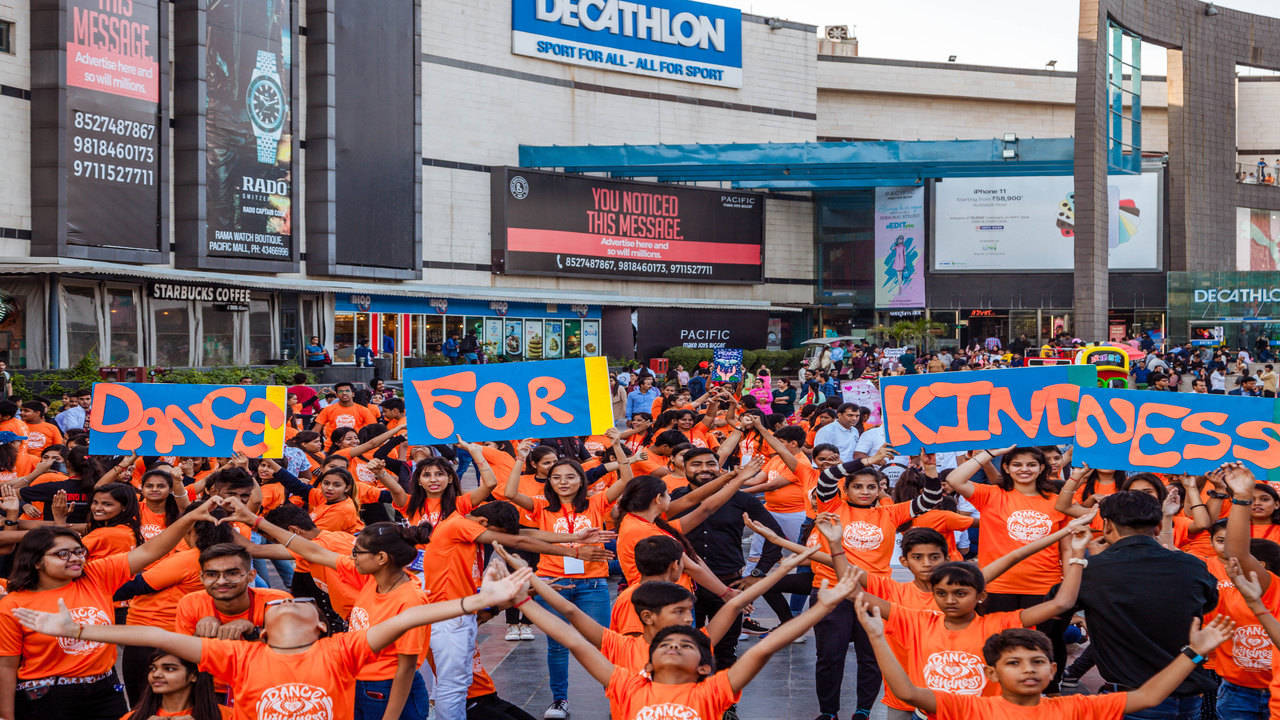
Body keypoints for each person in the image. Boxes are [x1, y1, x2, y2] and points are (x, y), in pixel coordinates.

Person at [10, 564, 534, 720]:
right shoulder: (239, 656)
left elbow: (410, 618)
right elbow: (148, 634)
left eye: (296, 604)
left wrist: (474, 601)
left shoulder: (341, 650)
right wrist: (76, 629)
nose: (284, 602)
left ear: (320, 626)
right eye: (278, 604)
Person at [516, 555, 862, 720]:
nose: (677, 643)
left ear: (703, 665)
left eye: (686, 644)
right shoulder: (626, 682)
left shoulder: (712, 691)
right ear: (648, 664)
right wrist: (522, 597)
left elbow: (765, 647)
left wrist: (819, 608)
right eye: (667, 644)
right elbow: (572, 632)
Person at [0, 501, 222, 719]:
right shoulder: (13, 605)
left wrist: (189, 518)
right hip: (46, 698)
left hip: (104, 690)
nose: (76, 558)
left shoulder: (95, 575)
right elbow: (6, 668)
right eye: (62, 554)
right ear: (36, 562)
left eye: (78, 551)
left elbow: (150, 551)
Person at [854, 594, 1235, 720]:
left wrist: (1193, 653)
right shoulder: (970, 708)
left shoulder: (1072, 707)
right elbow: (905, 691)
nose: (1028, 670)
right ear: (991, 673)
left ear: (1053, 669)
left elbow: (1149, 697)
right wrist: (877, 637)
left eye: (1037, 662)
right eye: (1014, 663)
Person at [1074, 491, 1219, 720]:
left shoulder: (1091, 570)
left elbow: (1057, 608)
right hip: (1188, 695)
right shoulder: (1192, 565)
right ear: (1159, 526)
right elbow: (1209, 603)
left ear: (1107, 526)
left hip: (1131, 699)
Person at [122, 651, 228, 720]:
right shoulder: (133, 717)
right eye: (153, 668)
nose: (156, 674)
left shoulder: (226, 715)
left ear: (193, 675)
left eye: (169, 669)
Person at [313, 382, 379, 438]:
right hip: (331, 447)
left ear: (353, 394)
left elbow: (373, 430)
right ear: (336, 395)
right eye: (340, 391)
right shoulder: (327, 410)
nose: (344, 393)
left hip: (356, 446)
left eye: (347, 391)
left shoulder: (364, 410)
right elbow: (316, 430)